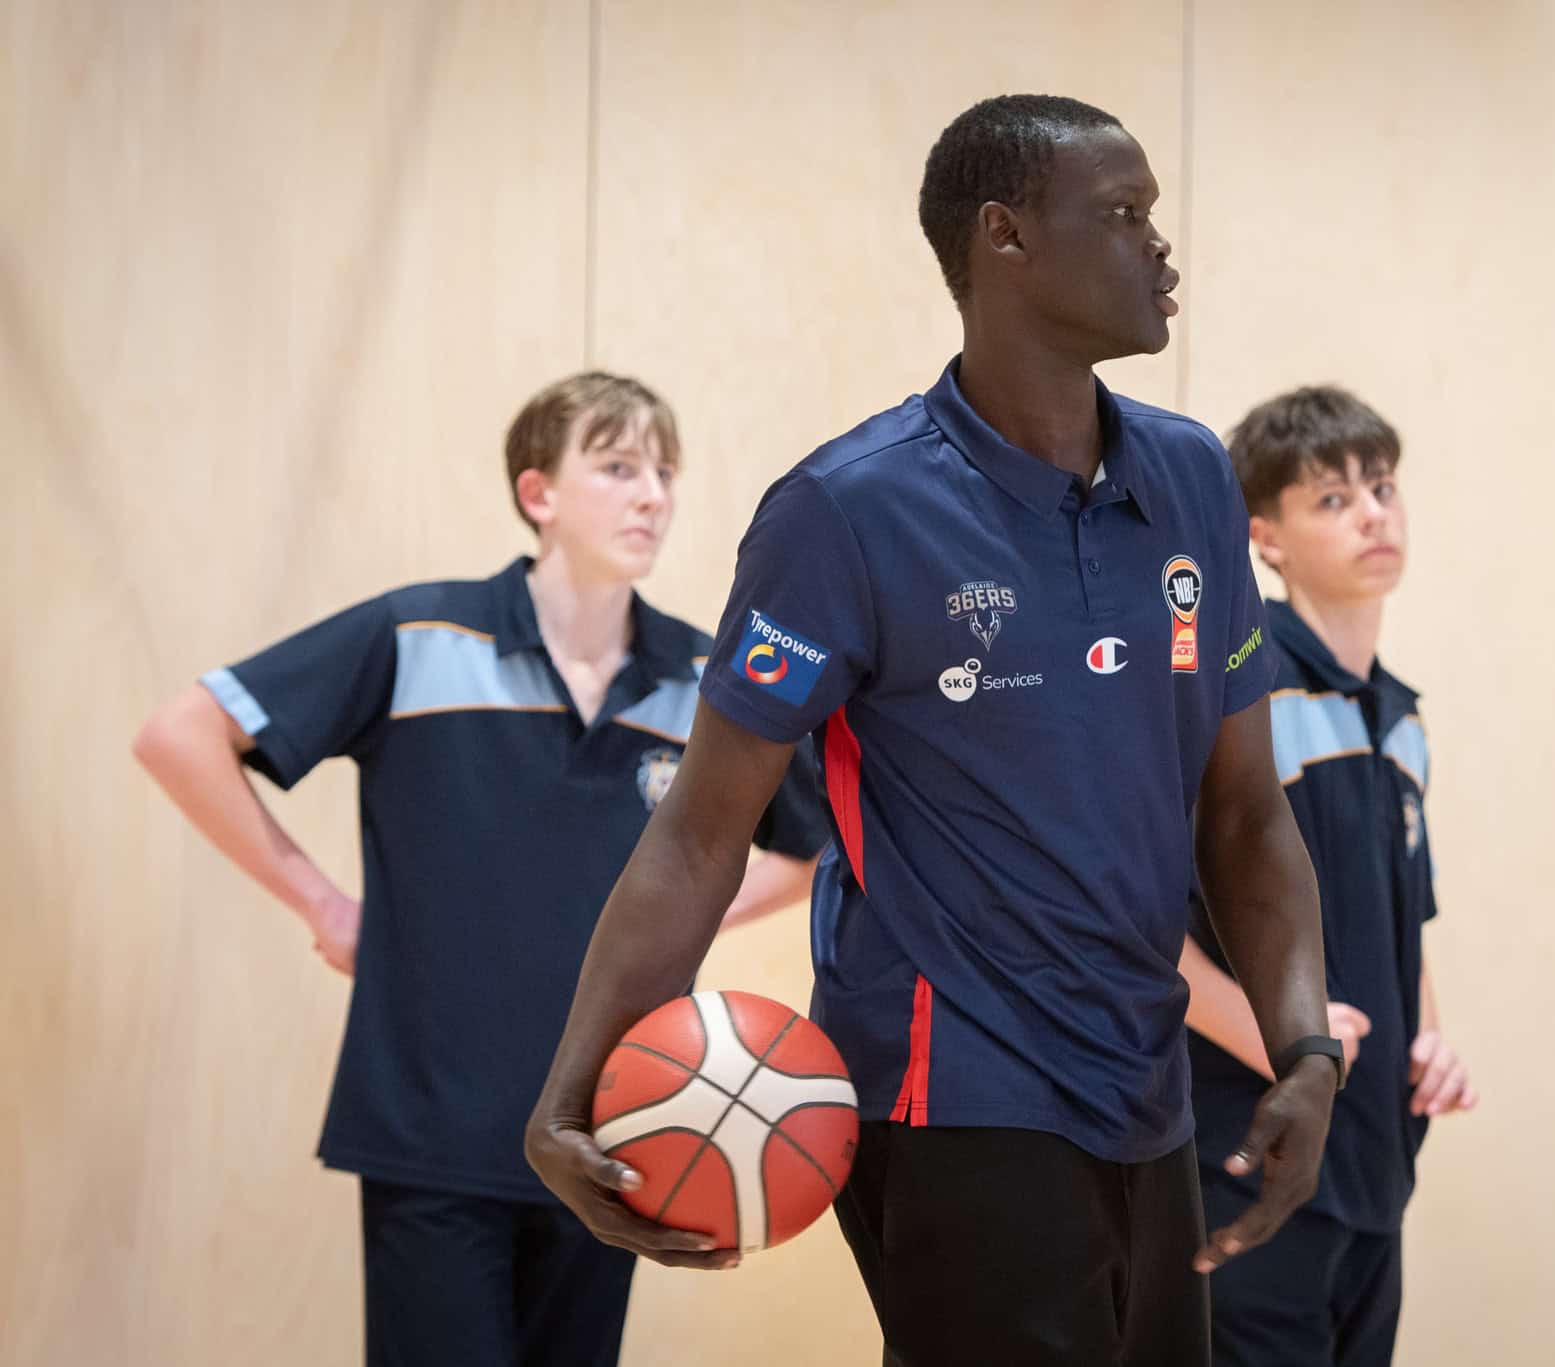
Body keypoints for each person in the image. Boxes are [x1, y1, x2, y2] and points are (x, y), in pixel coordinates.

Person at [524, 95, 1341, 1366]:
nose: (1158, 244)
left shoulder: (1188, 479)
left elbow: (1242, 810)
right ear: (1003, 237)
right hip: (950, 1094)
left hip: (1148, 1089)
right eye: (1122, 214)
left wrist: (1304, 1046)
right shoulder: (845, 510)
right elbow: (699, 832)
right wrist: (571, 1089)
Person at [131, 372, 828, 1367]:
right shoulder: (417, 637)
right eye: (618, 466)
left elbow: (813, 846)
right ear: (538, 491)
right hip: (432, 1129)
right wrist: (323, 905)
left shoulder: (700, 677)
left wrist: (685, 921)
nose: (651, 496)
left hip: (614, 1130)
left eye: (665, 472)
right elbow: (181, 734)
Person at [1183, 386, 1478, 1366]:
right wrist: (1275, 1038)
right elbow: (1137, 922)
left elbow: (1405, 920)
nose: (1372, 515)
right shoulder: (1239, 692)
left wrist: (1428, 1035)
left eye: (1382, 488)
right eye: (1333, 498)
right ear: (1263, 536)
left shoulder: (1400, 716)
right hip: (1250, 1157)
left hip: (1375, 1168)